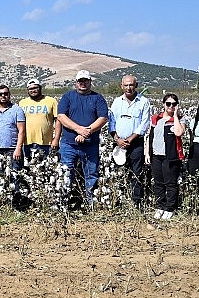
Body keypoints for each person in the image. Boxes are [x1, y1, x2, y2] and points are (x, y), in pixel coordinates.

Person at [57, 70, 108, 207]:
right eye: (80, 81)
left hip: (90, 144)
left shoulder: (98, 98)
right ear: (76, 83)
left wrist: (87, 132)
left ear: (90, 82)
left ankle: (91, 204)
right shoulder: (67, 97)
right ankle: (63, 204)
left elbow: (103, 118)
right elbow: (61, 116)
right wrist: (78, 129)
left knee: (91, 175)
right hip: (69, 144)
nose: (83, 83)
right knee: (66, 174)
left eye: (86, 81)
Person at [108, 75, 151, 207]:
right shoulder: (116, 102)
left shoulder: (144, 102)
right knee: (119, 172)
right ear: (122, 86)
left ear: (136, 86)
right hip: (118, 144)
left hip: (136, 143)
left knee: (136, 173)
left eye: (131, 85)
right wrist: (117, 139)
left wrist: (130, 139)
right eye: (126, 85)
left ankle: (135, 203)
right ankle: (119, 201)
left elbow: (144, 124)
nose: (128, 88)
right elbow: (112, 122)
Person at [146, 93, 187, 220]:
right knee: (158, 182)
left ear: (177, 105)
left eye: (174, 104)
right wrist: (147, 153)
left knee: (171, 183)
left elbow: (179, 132)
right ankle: (160, 206)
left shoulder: (180, 119)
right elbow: (149, 137)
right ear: (163, 104)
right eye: (168, 104)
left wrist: (175, 116)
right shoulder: (155, 119)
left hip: (171, 156)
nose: (171, 106)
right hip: (156, 155)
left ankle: (170, 208)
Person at [19, 78, 61, 160]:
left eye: (35, 88)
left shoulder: (51, 101)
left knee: (45, 169)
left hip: (46, 143)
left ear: (40, 88)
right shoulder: (22, 103)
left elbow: (58, 121)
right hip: (26, 142)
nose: (33, 90)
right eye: (30, 89)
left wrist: (56, 139)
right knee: (27, 169)